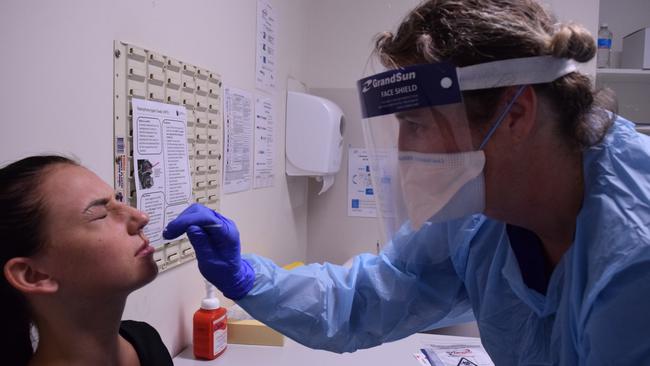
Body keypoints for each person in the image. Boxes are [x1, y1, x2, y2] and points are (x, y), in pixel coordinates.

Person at [163, 0, 650, 364]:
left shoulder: (634, 258)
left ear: (516, 113)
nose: (402, 152)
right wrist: (250, 279)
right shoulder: (481, 219)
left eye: (416, 124)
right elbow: (375, 294)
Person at [1, 155, 173, 366]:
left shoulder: (146, 342)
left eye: (118, 200)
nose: (141, 217)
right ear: (33, 274)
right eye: (100, 214)